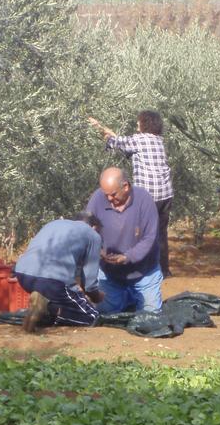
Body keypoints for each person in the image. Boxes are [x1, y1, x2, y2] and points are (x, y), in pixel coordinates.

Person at [88, 109, 174, 278]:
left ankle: (140, 268)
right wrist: (112, 134)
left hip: (149, 196)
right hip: (165, 195)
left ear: (144, 124)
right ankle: (164, 270)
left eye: (138, 122)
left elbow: (115, 142)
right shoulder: (158, 141)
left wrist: (98, 127)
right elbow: (125, 144)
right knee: (161, 233)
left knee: (142, 233)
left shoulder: (139, 139)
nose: (136, 125)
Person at [85, 167, 162, 314]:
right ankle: (126, 297)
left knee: (150, 316)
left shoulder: (144, 200)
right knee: (105, 314)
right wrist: (98, 250)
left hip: (143, 272)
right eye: (106, 194)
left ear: (125, 186)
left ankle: (131, 297)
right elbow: (87, 227)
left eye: (113, 195)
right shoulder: (98, 198)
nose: (109, 199)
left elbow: (149, 238)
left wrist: (127, 257)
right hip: (110, 274)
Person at [13, 213, 104, 333]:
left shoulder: (54, 224)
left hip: (22, 273)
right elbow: (90, 285)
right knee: (93, 318)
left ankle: (43, 301)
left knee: (60, 298)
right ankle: (47, 306)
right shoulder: (93, 235)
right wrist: (97, 297)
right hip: (52, 280)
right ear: (94, 227)